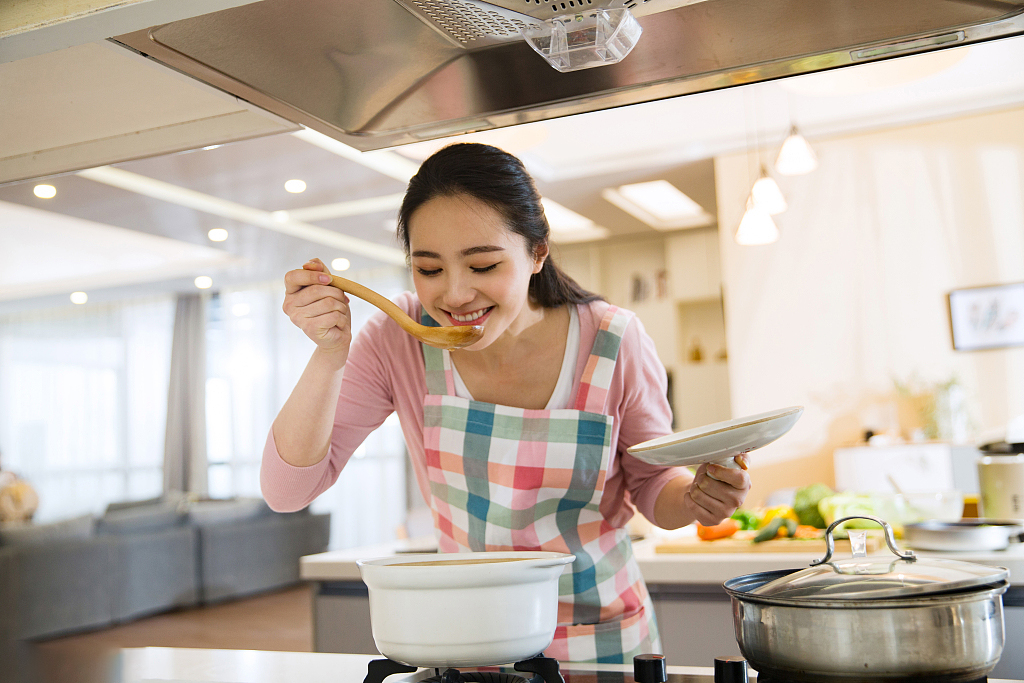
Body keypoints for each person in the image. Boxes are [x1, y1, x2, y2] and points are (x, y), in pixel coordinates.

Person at [261, 143, 751, 663]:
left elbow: (653, 486)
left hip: (599, 640)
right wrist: (330, 355)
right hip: (472, 641)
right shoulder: (399, 340)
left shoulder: (613, 341)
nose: (454, 295)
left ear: (537, 252)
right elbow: (288, 490)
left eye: (483, 265)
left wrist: (696, 498)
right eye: (429, 270)